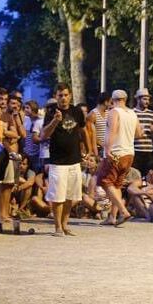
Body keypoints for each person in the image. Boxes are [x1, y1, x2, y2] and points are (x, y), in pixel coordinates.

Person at [40, 83, 87, 237]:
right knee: (57, 196)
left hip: (74, 160)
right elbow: (43, 135)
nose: (63, 98)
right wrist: (55, 120)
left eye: (66, 95)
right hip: (57, 161)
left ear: (70, 96)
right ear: (56, 96)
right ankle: (57, 227)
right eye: (60, 95)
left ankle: (65, 225)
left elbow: (83, 130)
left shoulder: (77, 111)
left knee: (70, 196)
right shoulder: (51, 112)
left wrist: (87, 149)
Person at [94, 90, 140, 226]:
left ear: (112, 100)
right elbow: (139, 133)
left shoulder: (114, 112)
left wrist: (107, 149)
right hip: (129, 153)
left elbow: (113, 130)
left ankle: (123, 211)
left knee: (104, 181)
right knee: (117, 184)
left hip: (116, 152)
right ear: (125, 99)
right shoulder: (132, 113)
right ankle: (112, 217)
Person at [132, 88, 153, 173]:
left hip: (148, 150)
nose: (147, 102)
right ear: (138, 99)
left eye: (148, 99)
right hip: (135, 150)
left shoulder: (152, 114)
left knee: (148, 174)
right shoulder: (132, 113)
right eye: (144, 99)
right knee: (135, 174)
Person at [86, 92, 111, 157]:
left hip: (107, 147)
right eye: (110, 102)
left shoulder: (108, 113)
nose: (110, 105)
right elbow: (90, 134)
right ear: (106, 102)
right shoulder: (93, 115)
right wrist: (102, 144)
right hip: (98, 148)